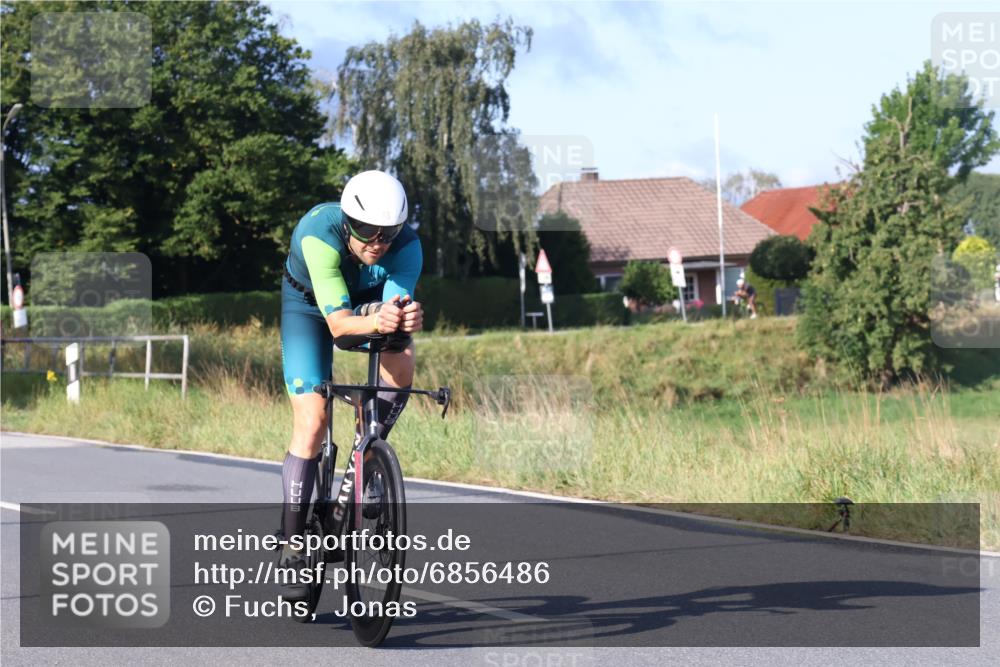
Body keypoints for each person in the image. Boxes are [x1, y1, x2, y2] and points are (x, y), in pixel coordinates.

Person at [277, 170, 423, 598]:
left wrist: (404, 318)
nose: (377, 243)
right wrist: (378, 318)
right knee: (313, 420)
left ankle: (368, 455)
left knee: (403, 356)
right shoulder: (318, 234)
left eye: (388, 233)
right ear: (346, 221)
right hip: (308, 309)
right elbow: (341, 329)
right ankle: (292, 544)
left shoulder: (408, 247)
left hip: (364, 305)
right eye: (365, 231)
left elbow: (393, 312)